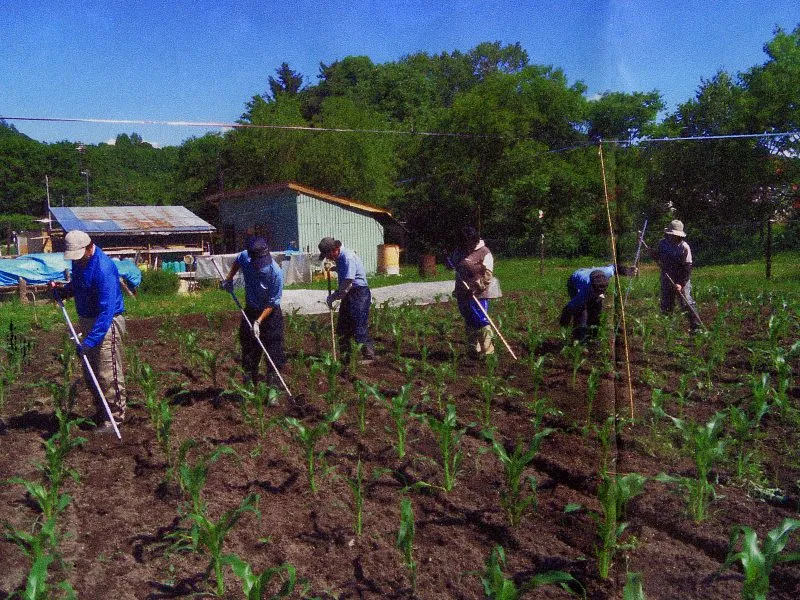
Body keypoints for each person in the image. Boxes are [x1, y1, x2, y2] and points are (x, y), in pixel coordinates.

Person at [55, 230, 129, 432]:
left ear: (89, 247)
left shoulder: (104, 268)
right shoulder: (79, 262)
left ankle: (116, 417)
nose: (76, 261)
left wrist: (89, 341)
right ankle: (102, 410)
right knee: (91, 372)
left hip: (106, 323)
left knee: (107, 371)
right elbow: (79, 285)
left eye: (79, 256)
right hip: (87, 320)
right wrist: (64, 291)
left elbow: (106, 312)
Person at [221, 238, 286, 385]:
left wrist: (258, 321)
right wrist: (229, 279)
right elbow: (238, 261)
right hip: (251, 310)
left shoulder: (275, 272)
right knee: (249, 350)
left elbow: (273, 302)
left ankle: (273, 388)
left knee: (273, 351)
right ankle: (249, 385)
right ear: (251, 258)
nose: (261, 265)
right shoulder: (245, 257)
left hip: (270, 315)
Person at [318, 237, 375, 361]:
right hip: (350, 293)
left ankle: (368, 354)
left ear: (335, 249)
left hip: (359, 293)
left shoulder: (347, 257)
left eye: (328, 255)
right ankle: (345, 356)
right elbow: (344, 271)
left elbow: (348, 281)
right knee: (343, 326)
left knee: (358, 323)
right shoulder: (339, 258)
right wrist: (334, 269)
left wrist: (335, 296)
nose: (328, 258)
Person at [449, 226, 500, 359]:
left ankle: (488, 351)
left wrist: (476, 287)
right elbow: (454, 264)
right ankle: (472, 350)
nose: (466, 245)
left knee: (481, 320)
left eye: (468, 242)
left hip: (478, 293)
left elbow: (488, 275)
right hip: (462, 292)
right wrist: (449, 263)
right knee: (469, 319)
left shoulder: (484, 252)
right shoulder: (459, 251)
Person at [559, 264, 637, 343]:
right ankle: (579, 341)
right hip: (573, 282)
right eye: (596, 292)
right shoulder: (583, 292)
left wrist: (627, 271)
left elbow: (615, 267)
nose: (599, 293)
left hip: (588, 275)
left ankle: (593, 336)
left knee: (596, 309)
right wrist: (563, 326)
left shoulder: (607, 273)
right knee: (581, 312)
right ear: (592, 288)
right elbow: (568, 309)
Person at [649, 219, 701, 332]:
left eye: (675, 235)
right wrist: (652, 253)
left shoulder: (684, 247)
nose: (673, 237)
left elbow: (687, 268)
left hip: (681, 277)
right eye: (671, 235)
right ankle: (668, 329)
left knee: (686, 302)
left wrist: (681, 284)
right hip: (667, 275)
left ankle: (696, 327)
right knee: (666, 303)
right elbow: (659, 256)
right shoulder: (662, 243)